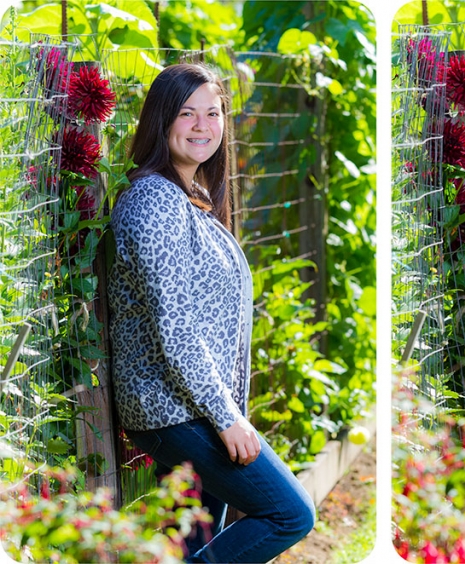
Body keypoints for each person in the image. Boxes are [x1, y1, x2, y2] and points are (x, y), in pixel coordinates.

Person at [108, 63, 315, 563]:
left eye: (213, 112)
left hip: (193, 407)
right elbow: (176, 328)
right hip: (175, 411)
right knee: (290, 514)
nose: (203, 126)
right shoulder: (154, 202)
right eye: (186, 114)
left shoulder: (188, 195)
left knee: (191, 542)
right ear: (161, 121)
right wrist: (227, 419)